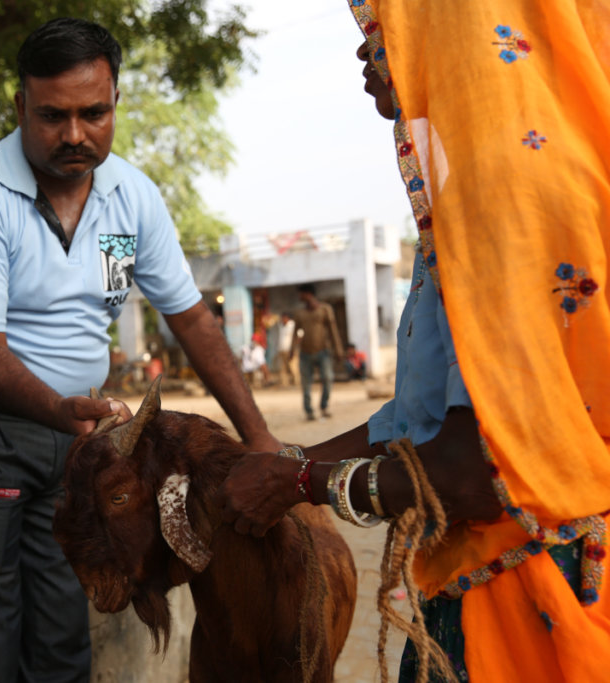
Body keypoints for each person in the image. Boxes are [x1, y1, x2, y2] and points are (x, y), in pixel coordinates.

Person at [222, 2, 610, 681]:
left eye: (387, 28)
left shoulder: (506, 187)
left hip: (530, 595)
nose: (369, 54)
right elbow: (423, 417)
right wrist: (285, 462)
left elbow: (478, 474)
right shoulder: (526, 166)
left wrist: (305, 479)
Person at [0, 17, 281, 682]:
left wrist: (257, 431)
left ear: (116, 102)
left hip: (81, 438)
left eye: (94, 113)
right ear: (20, 107)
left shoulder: (133, 196)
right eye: (53, 115)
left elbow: (191, 318)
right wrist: (61, 409)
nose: (74, 135)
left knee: (65, 623)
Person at [291, 283, 343, 419]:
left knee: (327, 378)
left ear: (308, 294)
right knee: (306, 383)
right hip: (305, 353)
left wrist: (338, 349)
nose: (299, 297)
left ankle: (324, 406)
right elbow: (295, 333)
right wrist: (292, 350)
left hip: (323, 351)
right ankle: (309, 411)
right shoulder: (299, 313)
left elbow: (333, 330)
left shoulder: (325, 309)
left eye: (301, 293)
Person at [273, 312, 298, 386]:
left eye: (283, 318)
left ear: (287, 318)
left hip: (290, 349)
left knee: (292, 366)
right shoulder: (281, 325)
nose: (282, 320)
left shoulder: (292, 325)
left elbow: (298, 336)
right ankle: (284, 383)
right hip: (282, 349)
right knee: (282, 367)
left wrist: (294, 347)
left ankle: (296, 381)